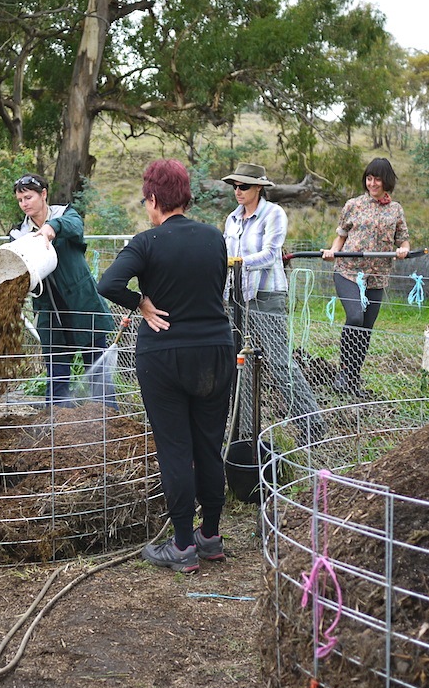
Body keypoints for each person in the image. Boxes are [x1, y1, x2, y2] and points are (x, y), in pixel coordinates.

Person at [97, 160, 234, 574]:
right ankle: (210, 536)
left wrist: (140, 302)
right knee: (209, 445)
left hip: (166, 356)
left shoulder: (147, 242)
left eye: (146, 200)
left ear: (155, 199)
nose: (146, 207)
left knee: (175, 449)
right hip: (216, 349)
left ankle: (181, 545)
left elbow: (107, 284)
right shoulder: (215, 238)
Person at [222, 161, 322, 440]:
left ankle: (312, 424)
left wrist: (237, 262)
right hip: (237, 298)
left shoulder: (273, 214)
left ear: (258, 188)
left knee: (279, 361)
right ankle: (246, 430)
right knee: (243, 361)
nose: (237, 191)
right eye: (234, 186)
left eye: (243, 186)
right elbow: (223, 256)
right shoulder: (232, 220)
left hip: (266, 296)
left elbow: (270, 254)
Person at [11, 173, 112, 406]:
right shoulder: (19, 235)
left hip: (83, 304)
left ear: (43, 194)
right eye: (20, 200)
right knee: (57, 376)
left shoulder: (65, 214)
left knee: (98, 374)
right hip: (49, 311)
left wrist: (50, 228)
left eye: (28, 197)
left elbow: (75, 228)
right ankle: (57, 431)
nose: (24, 204)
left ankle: (110, 425)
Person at [322, 157, 411, 397]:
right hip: (349, 272)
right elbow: (341, 235)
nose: (372, 183)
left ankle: (353, 378)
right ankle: (343, 372)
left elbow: (402, 238)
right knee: (355, 317)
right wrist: (333, 251)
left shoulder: (396, 210)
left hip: (377, 277)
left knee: (366, 329)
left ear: (386, 181)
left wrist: (403, 248)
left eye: (377, 179)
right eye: (369, 178)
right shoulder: (354, 205)